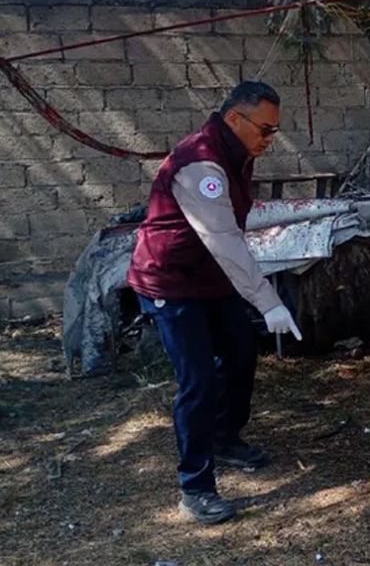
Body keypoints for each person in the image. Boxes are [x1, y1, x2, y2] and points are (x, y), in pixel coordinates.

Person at [127, 80, 302, 525]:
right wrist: (268, 301)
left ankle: (224, 437)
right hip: (171, 281)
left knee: (242, 352)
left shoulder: (236, 152)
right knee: (199, 380)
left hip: (210, 278)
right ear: (233, 119)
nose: (269, 140)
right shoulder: (202, 165)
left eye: (274, 132)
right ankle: (196, 487)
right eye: (265, 130)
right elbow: (223, 239)